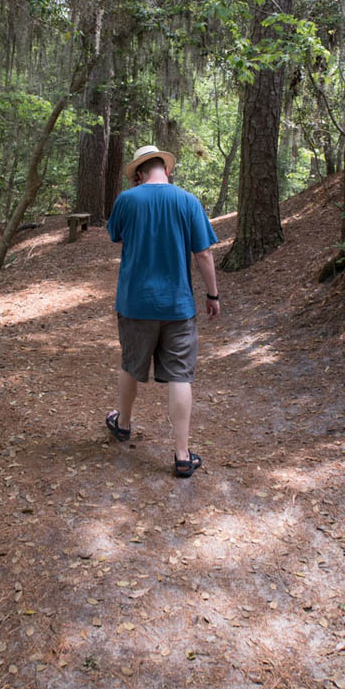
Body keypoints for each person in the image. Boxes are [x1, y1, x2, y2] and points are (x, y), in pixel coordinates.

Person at [105, 144, 220, 477]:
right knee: (180, 376)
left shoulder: (127, 200)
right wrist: (213, 295)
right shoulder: (187, 201)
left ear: (139, 174)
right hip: (178, 306)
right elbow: (204, 255)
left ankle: (123, 425)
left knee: (130, 364)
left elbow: (117, 236)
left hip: (135, 303)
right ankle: (182, 455)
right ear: (166, 170)